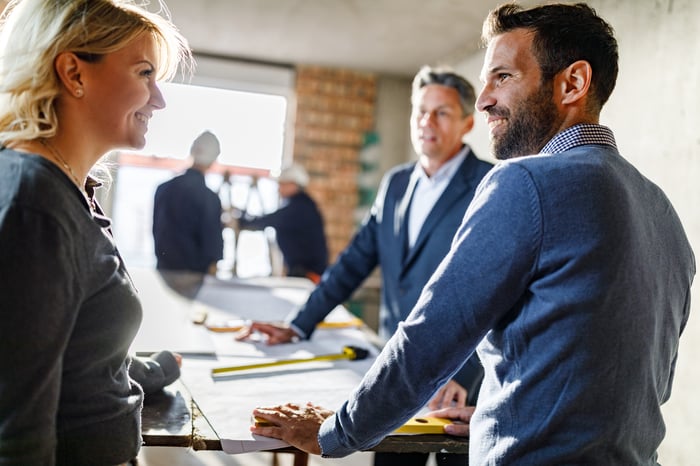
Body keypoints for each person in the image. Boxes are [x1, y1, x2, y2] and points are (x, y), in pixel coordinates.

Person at [249, 3, 695, 465]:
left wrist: (333, 432)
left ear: (573, 84)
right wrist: (504, 410)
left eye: (503, 76)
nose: (483, 100)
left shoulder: (525, 182)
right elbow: (638, 383)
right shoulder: (662, 210)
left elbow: (430, 338)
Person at [238, 66, 493, 466]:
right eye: (420, 112)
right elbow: (353, 262)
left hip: (460, 383)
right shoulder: (395, 184)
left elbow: (500, 289)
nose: (427, 122)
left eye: (441, 113)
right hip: (396, 369)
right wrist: (299, 323)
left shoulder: (490, 184)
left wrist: (467, 372)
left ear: (467, 122)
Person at [0, 0, 191, 464]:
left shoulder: (65, 188)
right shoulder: (37, 204)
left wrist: (156, 369)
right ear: (74, 73)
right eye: (144, 73)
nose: (159, 99)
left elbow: (73, 355)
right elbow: (16, 433)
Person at [152, 130, 224, 298]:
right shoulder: (209, 198)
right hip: (193, 276)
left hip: (163, 272)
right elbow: (211, 246)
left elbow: (157, 230)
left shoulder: (163, 189)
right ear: (213, 161)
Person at [237, 163, 328, 282]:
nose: (278, 188)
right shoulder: (301, 204)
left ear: (294, 184)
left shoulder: (300, 207)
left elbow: (272, 219)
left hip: (308, 275)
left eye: (282, 184)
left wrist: (244, 221)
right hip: (303, 272)